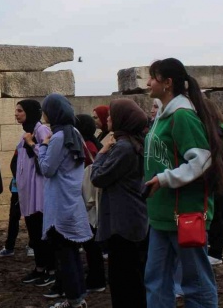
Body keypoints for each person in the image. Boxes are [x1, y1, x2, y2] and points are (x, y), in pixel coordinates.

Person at [143, 58, 223, 308]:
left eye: (152, 77)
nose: (147, 82)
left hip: (185, 214)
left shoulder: (182, 116)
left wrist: (165, 178)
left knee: (196, 282)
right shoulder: (162, 116)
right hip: (161, 214)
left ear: (167, 83)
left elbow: (201, 160)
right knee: (155, 279)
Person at [90, 99, 149, 308]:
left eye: (111, 115)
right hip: (132, 216)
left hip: (123, 220)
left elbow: (98, 177)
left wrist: (102, 153)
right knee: (133, 274)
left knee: (123, 278)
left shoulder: (123, 147)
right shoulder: (136, 143)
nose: (107, 119)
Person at [39, 93, 92, 308]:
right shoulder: (74, 132)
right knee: (71, 252)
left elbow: (47, 169)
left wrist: (42, 145)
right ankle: (78, 297)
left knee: (65, 255)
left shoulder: (59, 137)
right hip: (71, 200)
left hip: (60, 203)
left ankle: (75, 300)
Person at [15, 100, 56, 287]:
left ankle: (51, 269)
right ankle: (40, 267)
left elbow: (47, 156)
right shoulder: (28, 131)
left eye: (20, 110)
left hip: (38, 189)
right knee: (33, 230)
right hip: (27, 190)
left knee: (41, 230)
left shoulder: (41, 131)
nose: (16, 114)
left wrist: (31, 144)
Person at [74, 114, 106, 293]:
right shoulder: (91, 144)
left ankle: (97, 278)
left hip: (89, 198)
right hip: (89, 198)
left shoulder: (89, 146)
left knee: (91, 241)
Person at [205, 99, 223, 266]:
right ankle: (219, 241)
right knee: (220, 208)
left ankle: (216, 251)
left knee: (217, 210)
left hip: (219, 173)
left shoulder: (218, 130)